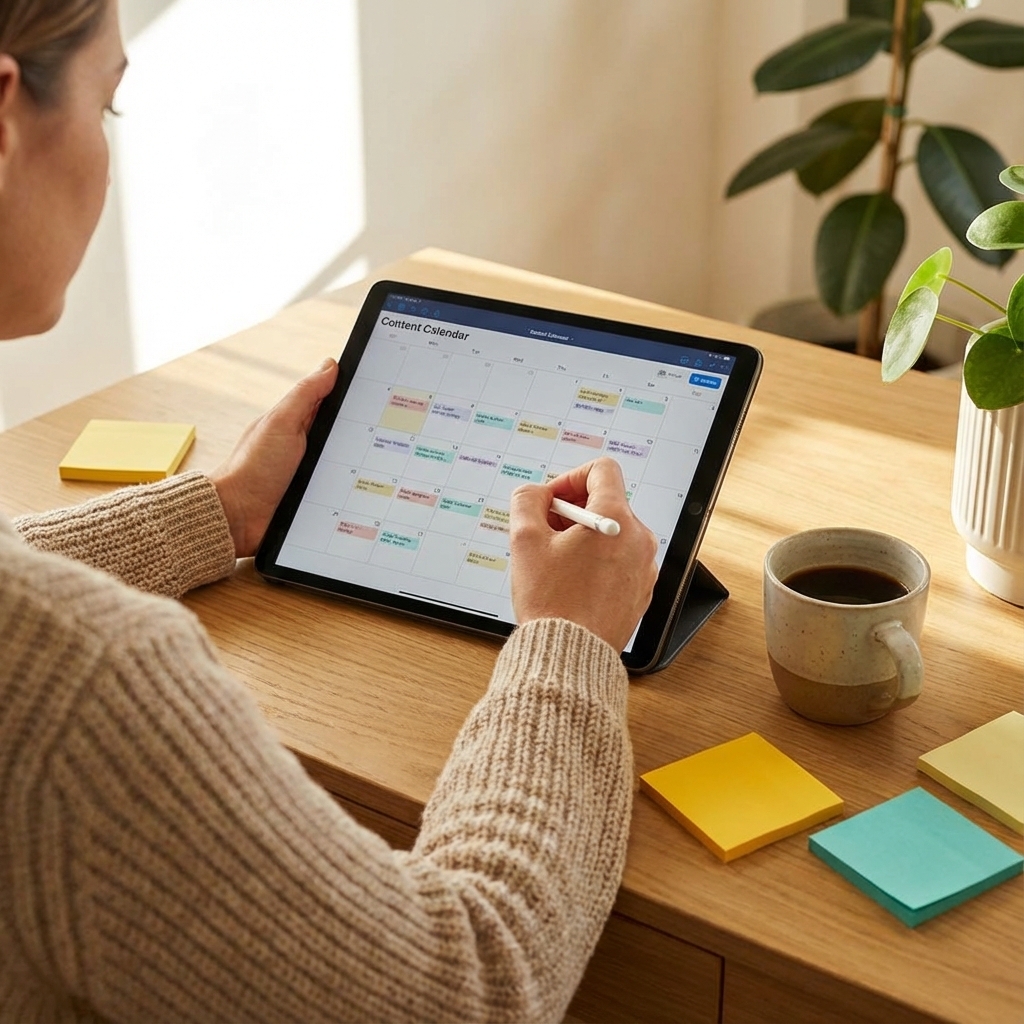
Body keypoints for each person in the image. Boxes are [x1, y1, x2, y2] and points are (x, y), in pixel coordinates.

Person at [0, 1, 659, 1021]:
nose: (107, 153)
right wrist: (569, 642)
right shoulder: (86, 688)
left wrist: (222, 510)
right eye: (108, 105)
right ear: (4, 120)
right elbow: (466, 988)